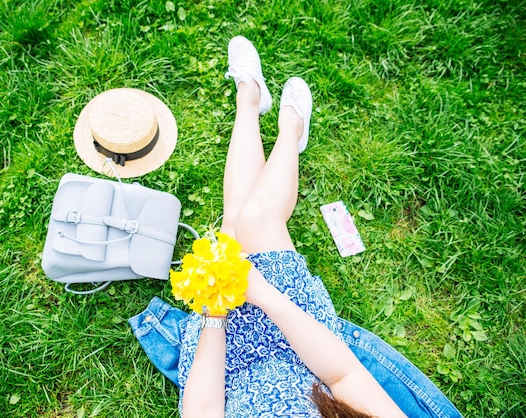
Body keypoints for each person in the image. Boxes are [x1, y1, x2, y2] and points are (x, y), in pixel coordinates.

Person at [129, 36, 462, 418]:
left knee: (237, 222)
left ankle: (252, 101)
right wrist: (267, 296)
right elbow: (345, 374)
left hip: (225, 370)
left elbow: (203, 407)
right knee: (252, 220)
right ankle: (286, 127)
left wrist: (216, 314)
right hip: (307, 350)